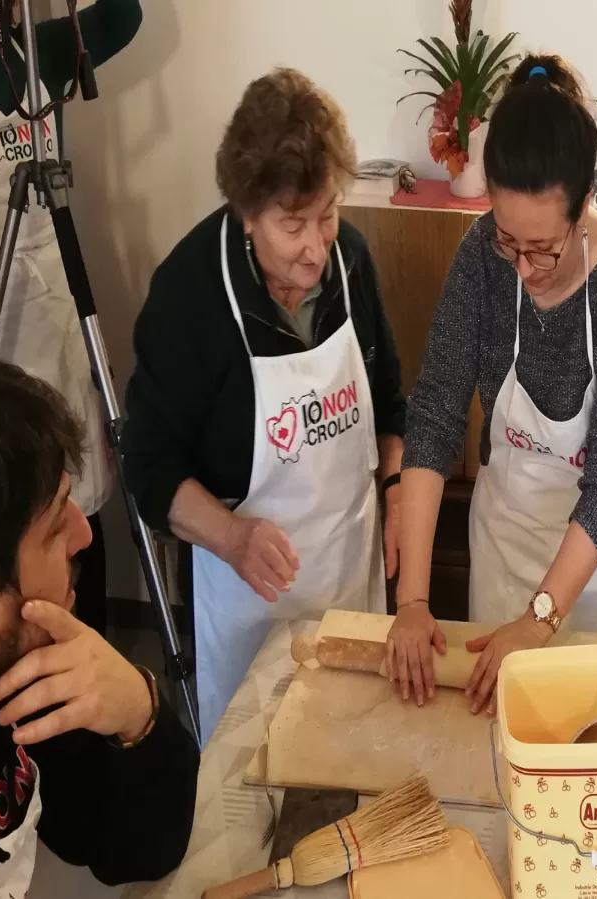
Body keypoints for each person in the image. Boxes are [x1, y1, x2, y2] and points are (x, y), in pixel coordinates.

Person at [122, 68, 409, 742]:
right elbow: (149, 468)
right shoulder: (190, 294)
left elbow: (390, 405)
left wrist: (397, 491)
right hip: (248, 601)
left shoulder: (350, 262)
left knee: (350, 751)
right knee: (253, 767)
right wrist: (232, 536)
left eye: (327, 214)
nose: (316, 248)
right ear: (247, 213)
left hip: (351, 577)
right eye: (292, 225)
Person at [387, 55, 597, 714]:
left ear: (584, 204)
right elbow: (435, 417)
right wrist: (413, 601)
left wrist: (540, 621)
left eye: (543, 247)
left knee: (593, 735)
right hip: (505, 544)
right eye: (509, 240)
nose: (524, 267)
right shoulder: (481, 257)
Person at [0, 356, 198, 899]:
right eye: (55, 526)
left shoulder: (20, 681)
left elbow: (140, 850)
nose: (84, 536)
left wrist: (137, 710)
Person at [0, 0, 145, 639]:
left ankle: (91, 640)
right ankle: (6, 655)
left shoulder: (38, 46)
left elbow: (124, 17)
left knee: (78, 489)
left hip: (52, 296)